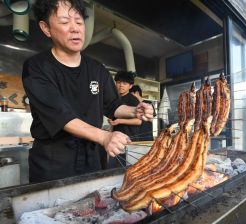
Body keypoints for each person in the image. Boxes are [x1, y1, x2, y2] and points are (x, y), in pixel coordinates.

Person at [22, 0, 154, 183]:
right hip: (53, 163)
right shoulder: (37, 67)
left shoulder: (97, 69)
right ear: (46, 28)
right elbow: (62, 116)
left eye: (79, 21)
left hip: (92, 158)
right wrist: (105, 136)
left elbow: (113, 105)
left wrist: (135, 110)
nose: (75, 28)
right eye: (64, 21)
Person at [107, 71, 142, 168]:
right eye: (118, 82)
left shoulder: (133, 100)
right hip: (115, 139)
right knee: (113, 169)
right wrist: (111, 126)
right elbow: (113, 118)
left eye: (124, 83)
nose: (121, 85)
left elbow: (138, 121)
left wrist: (120, 121)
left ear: (130, 86)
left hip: (130, 140)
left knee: (129, 169)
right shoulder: (114, 99)